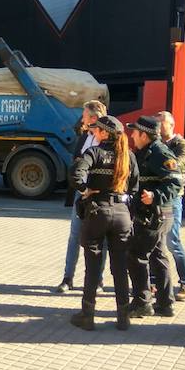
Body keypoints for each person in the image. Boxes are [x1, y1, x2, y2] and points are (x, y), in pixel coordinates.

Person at [69, 115, 138, 331]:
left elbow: (76, 175)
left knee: (93, 266)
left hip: (98, 212)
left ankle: (87, 316)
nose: (94, 133)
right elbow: (134, 188)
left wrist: (85, 191)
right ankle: (123, 318)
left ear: (105, 133)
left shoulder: (94, 152)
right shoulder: (129, 156)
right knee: (119, 267)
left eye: (97, 130)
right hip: (122, 214)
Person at [125, 116, 182, 318]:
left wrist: (155, 196)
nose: (132, 135)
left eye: (134, 132)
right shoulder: (145, 153)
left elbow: (175, 181)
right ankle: (166, 303)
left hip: (155, 215)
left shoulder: (159, 152)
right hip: (152, 215)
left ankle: (142, 302)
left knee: (136, 255)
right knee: (158, 256)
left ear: (144, 135)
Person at [56, 100, 108, 293]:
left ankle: (98, 281)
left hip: (99, 195)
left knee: (100, 240)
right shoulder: (84, 136)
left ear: (94, 118)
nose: (82, 118)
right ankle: (67, 279)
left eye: (84, 115)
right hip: (81, 193)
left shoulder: (108, 139)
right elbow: (76, 161)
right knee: (75, 236)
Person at [156, 111, 185, 300]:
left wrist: (159, 161)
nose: (158, 126)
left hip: (173, 199)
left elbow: (177, 165)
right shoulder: (155, 144)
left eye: (161, 122)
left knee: (173, 242)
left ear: (171, 124)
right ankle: (155, 283)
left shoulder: (182, 145)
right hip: (155, 198)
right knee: (155, 242)